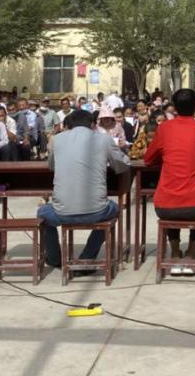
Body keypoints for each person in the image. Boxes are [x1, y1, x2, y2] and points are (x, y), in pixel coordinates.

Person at [38, 110, 129, 272]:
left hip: (61, 213)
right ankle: (86, 258)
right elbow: (122, 165)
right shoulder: (104, 139)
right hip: (97, 212)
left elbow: (52, 166)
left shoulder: (56, 139)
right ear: (93, 124)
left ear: (68, 125)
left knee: (42, 213)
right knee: (115, 209)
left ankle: (54, 258)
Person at [144, 88, 195, 275]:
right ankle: (192, 252)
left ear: (174, 107)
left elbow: (148, 160)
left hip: (165, 205)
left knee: (173, 207)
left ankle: (175, 252)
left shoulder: (164, 128)